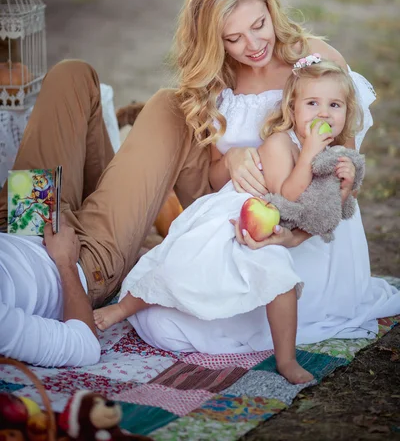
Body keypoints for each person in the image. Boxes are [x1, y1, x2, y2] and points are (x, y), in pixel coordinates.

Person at [0, 0, 399, 369]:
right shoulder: (220, 78)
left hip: (303, 229)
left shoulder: (315, 60)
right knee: (165, 108)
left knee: (72, 74)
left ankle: (32, 221)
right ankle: (51, 230)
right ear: (216, 41)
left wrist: (294, 236)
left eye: (260, 24)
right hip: (232, 212)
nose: (254, 44)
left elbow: (347, 164)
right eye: (234, 38)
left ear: (271, 7)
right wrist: (235, 156)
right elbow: (210, 179)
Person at [92, 57, 362, 383]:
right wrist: (308, 156)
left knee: (282, 280)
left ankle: (286, 359)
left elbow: (323, 211)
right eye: (312, 103)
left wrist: (345, 188)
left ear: (347, 113)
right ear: (292, 110)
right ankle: (124, 307)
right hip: (236, 210)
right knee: (187, 258)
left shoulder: (332, 154)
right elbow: (287, 197)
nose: (323, 113)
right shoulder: (281, 143)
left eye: (334, 105)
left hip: (271, 228)